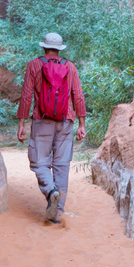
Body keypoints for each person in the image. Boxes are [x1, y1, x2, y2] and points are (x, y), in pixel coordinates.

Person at [17, 32, 87, 223]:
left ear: (44, 47)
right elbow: (78, 96)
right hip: (66, 121)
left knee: (39, 163)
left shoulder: (34, 65)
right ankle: (57, 213)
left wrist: (22, 123)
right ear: (60, 48)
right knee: (62, 166)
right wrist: (81, 124)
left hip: (42, 120)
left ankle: (51, 191)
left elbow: (26, 96)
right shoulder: (70, 67)